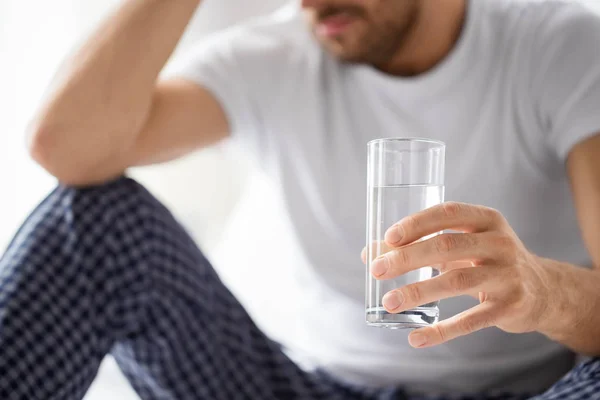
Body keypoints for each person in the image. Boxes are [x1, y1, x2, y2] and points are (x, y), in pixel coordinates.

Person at [1, 0, 600, 398]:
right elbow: (66, 147)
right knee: (94, 218)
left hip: (530, 391)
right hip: (306, 388)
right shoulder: (276, 54)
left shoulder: (561, 46)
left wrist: (542, 291)